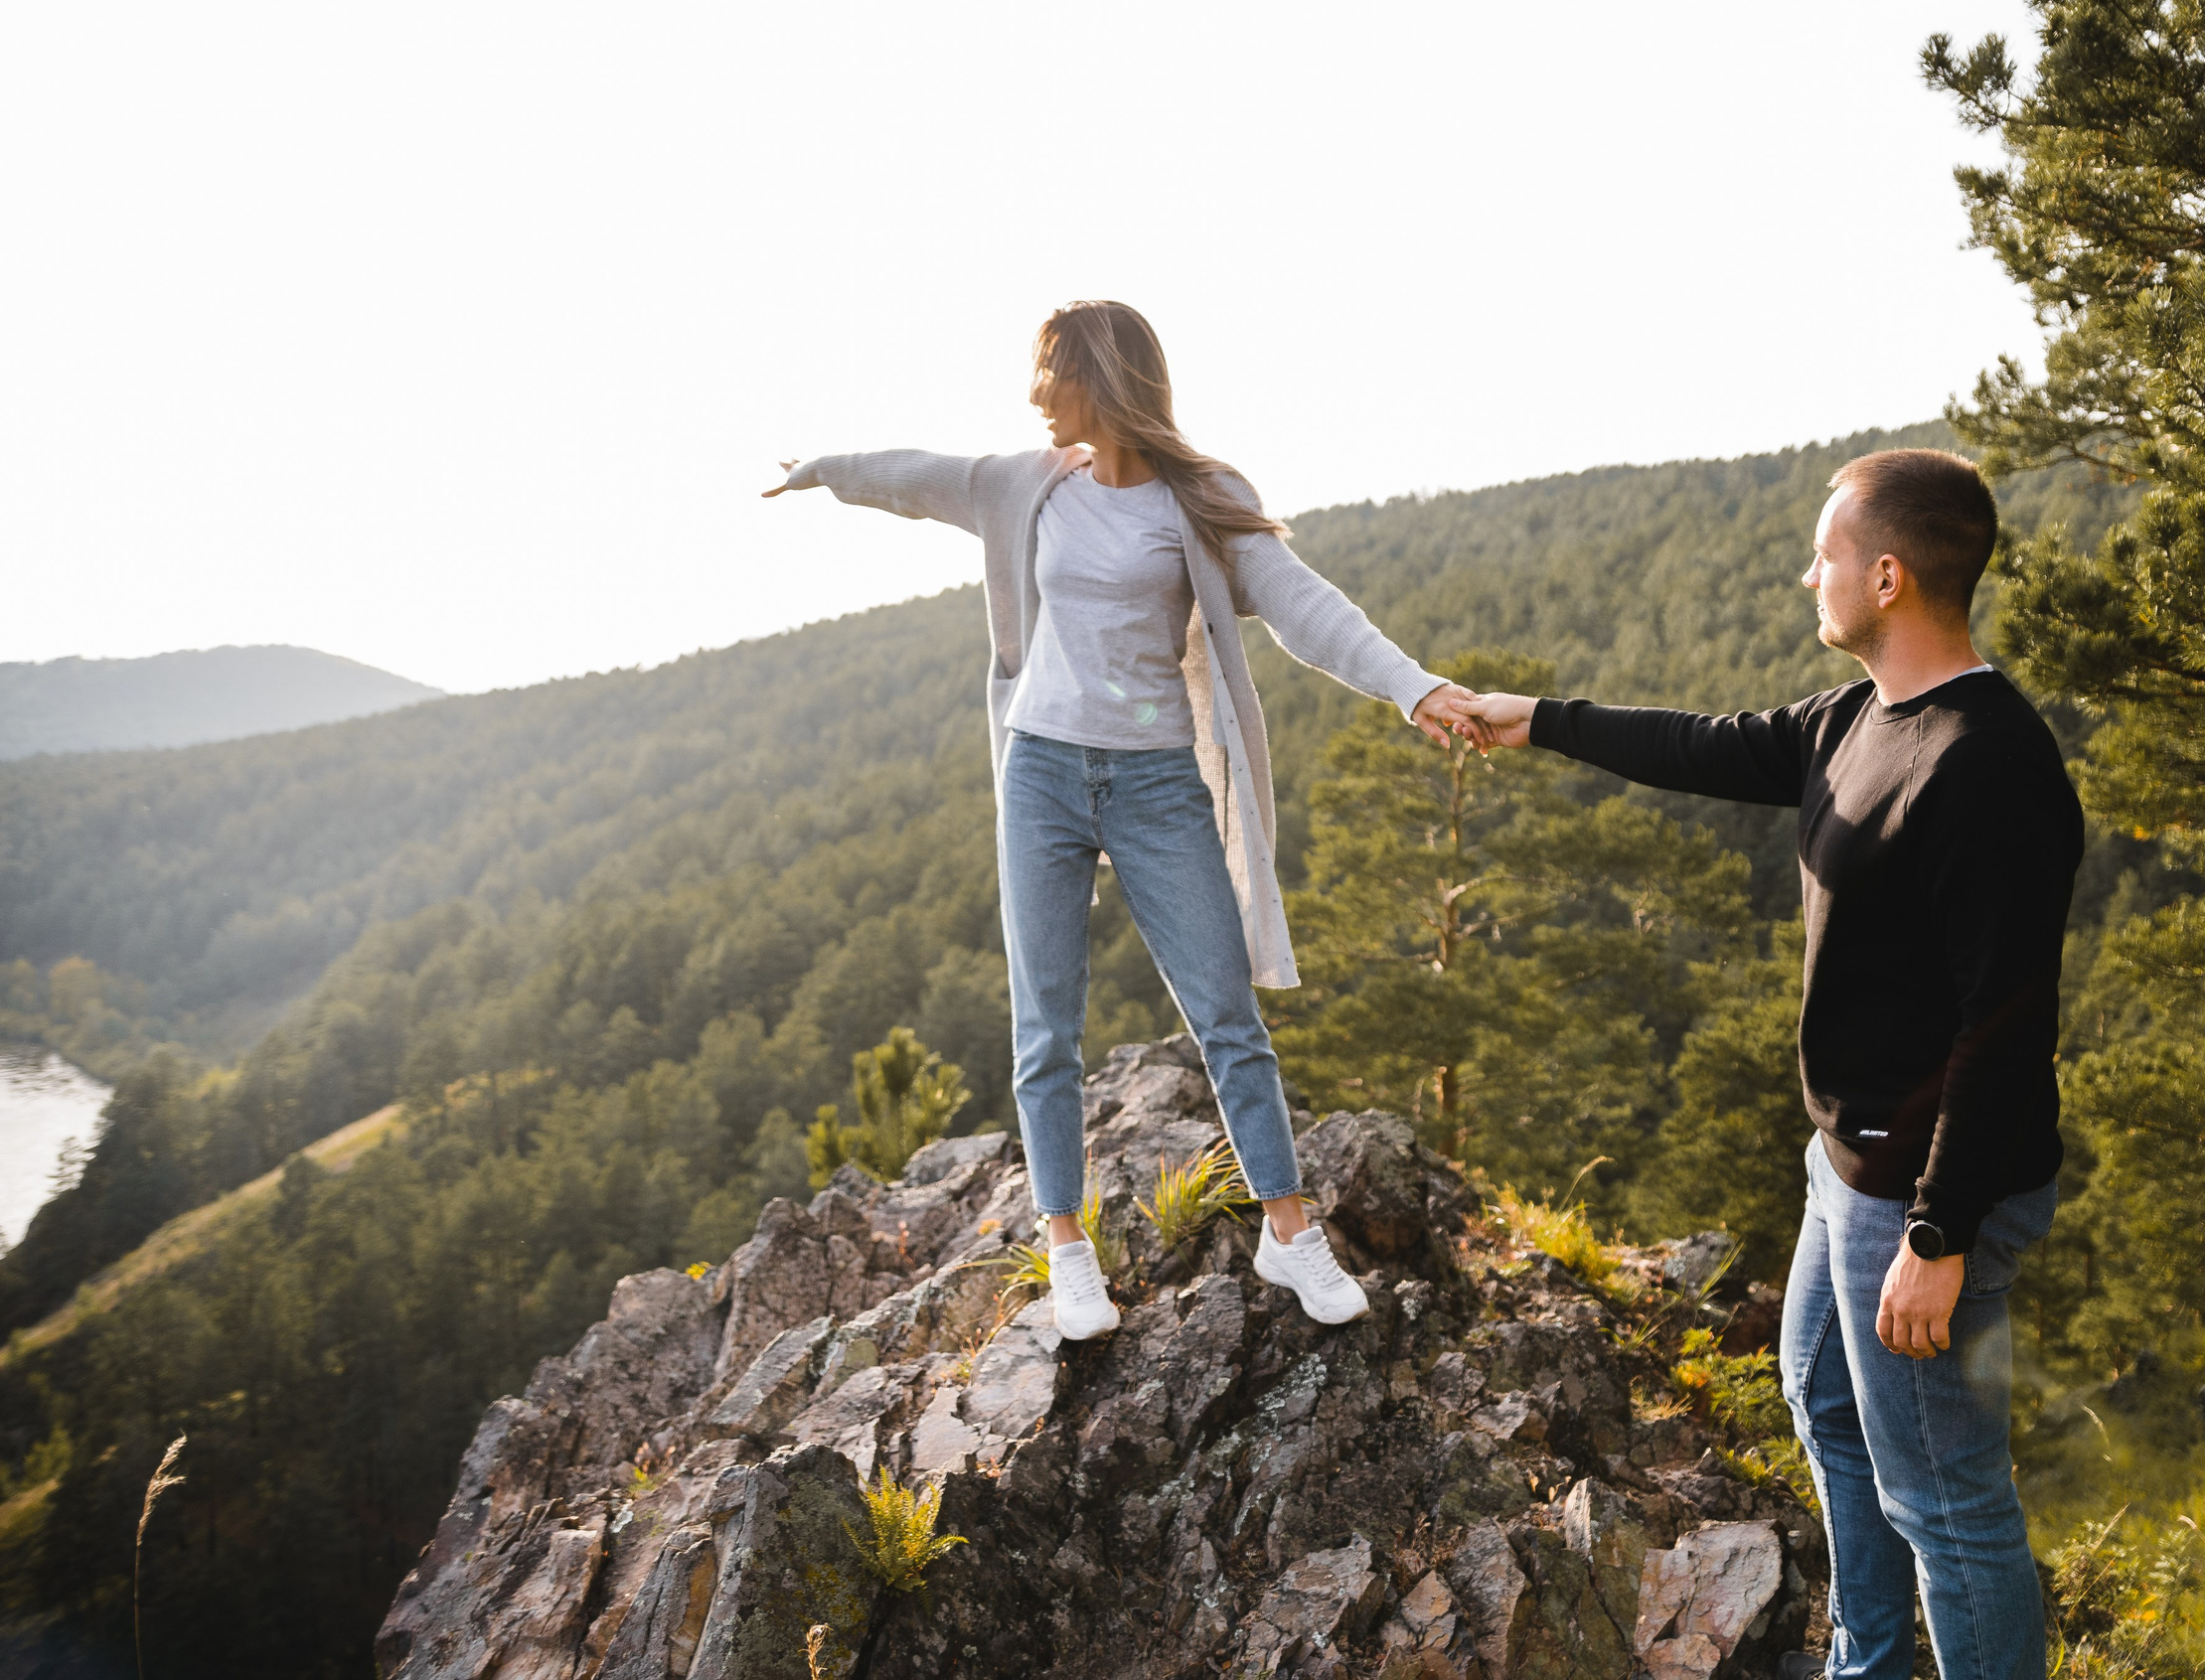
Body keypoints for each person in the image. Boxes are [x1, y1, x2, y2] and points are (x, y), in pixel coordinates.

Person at [1449, 449, 2082, 1680]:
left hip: (1923, 1192)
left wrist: (1937, 1239)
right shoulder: (1854, 718)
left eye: (1826, 555)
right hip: (1846, 1170)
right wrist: (1533, 723)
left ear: (1887, 576)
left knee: (1947, 1508)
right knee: (1824, 1401)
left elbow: (2003, 1028)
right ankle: (1870, 1661)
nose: (1808, 575)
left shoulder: (1986, 763)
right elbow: (1706, 744)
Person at [764, 300, 1475, 1343]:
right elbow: (915, 478)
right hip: (1041, 772)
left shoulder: (1202, 498)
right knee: (1045, 1026)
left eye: (1047, 372)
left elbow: (1301, 602)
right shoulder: (1025, 486)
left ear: (1096, 375)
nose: (1034, 393)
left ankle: (1287, 1228)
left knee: (1226, 1015)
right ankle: (1067, 1250)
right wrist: (825, 466)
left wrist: (1414, 689)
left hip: (1155, 784)